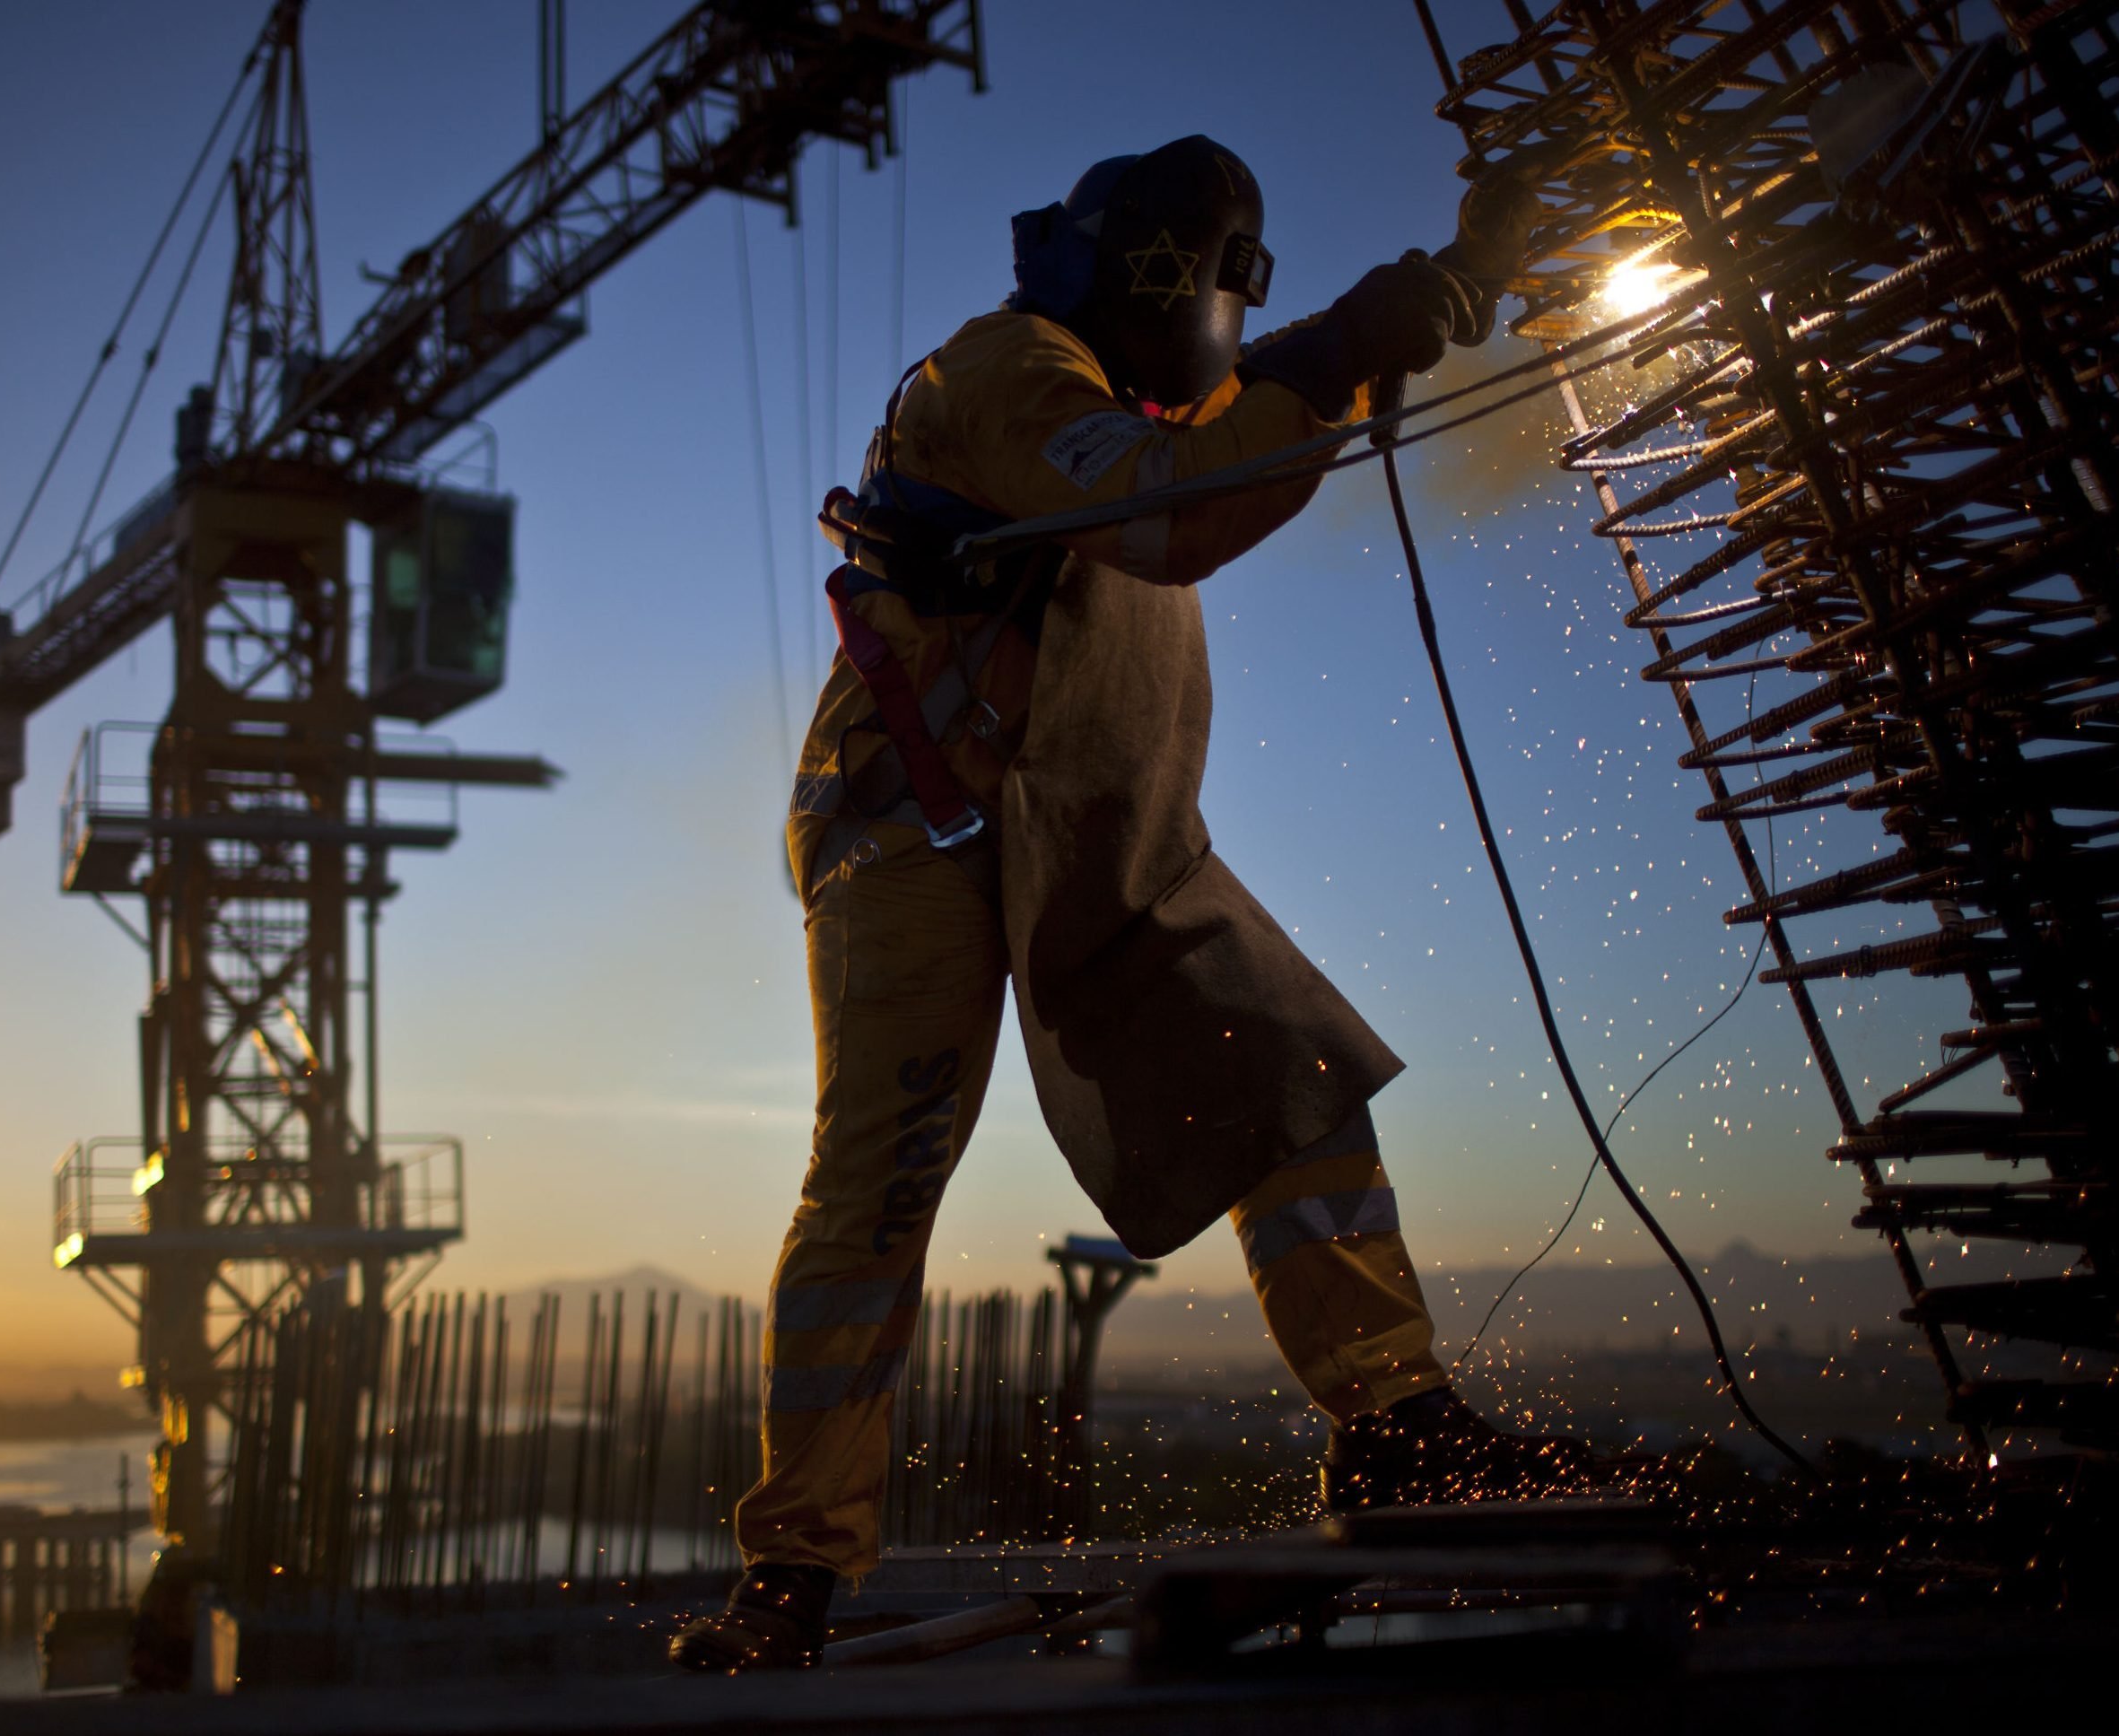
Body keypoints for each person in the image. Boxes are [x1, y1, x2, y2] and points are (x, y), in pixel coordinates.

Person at [670, 136, 1579, 1674]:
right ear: (1173, 274)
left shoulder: (1145, 399)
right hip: (917, 825)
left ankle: (1400, 1426)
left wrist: (1452, 281)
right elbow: (1172, 506)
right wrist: (1356, 340)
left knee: (1284, 1068)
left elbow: (1255, 398)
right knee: (884, 1175)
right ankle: (794, 1575)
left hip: (1090, 832)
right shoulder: (1012, 371)